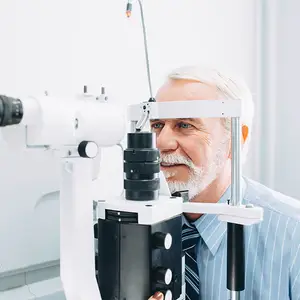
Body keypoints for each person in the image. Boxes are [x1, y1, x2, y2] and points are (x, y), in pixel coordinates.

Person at [148, 65, 300, 300]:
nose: (162, 142)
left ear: (236, 138)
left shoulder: (293, 235)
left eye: (185, 125)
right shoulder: (134, 228)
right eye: (157, 125)